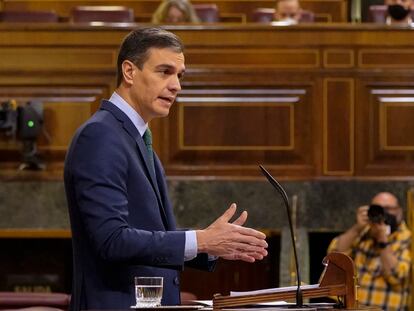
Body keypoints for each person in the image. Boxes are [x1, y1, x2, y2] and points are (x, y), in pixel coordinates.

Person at [64, 27, 268, 311]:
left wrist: (209, 244)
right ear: (129, 71)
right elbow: (111, 240)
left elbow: (149, 233)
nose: (176, 86)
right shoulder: (100, 136)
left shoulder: (134, 138)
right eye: (165, 71)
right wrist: (201, 240)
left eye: (179, 75)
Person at [327, 192, 411, 311]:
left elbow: (396, 277)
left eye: (387, 208)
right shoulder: (363, 233)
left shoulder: (407, 239)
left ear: (399, 211)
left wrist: (382, 240)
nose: (383, 213)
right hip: (352, 307)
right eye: (378, 208)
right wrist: (357, 228)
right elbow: (335, 256)